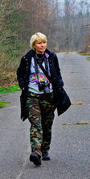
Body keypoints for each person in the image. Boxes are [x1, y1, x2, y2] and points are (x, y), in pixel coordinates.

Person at [17, 32, 69, 166]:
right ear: (34, 45)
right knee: (36, 123)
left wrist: (59, 83)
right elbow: (20, 73)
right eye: (39, 43)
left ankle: (45, 148)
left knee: (47, 124)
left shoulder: (52, 57)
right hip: (32, 95)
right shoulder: (27, 58)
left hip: (49, 96)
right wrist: (23, 86)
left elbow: (57, 72)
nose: (42, 45)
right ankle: (36, 152)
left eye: (44, 42)